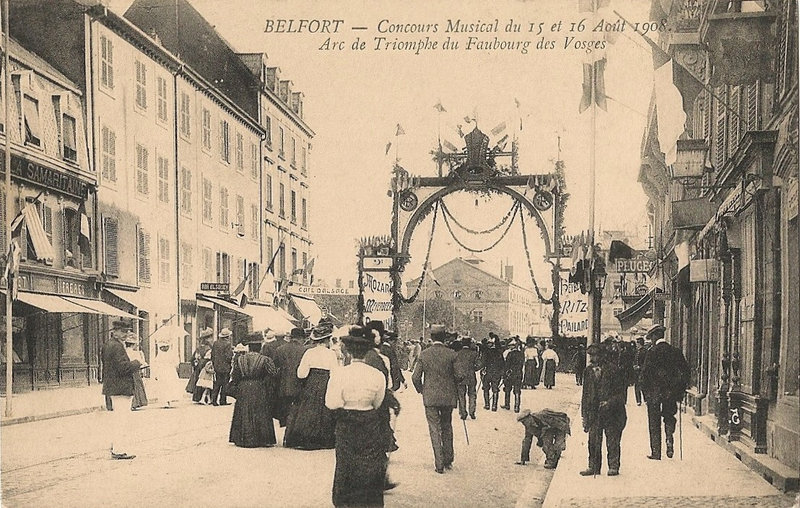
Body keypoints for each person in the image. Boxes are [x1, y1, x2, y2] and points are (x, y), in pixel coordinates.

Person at [325, 325, 388, 507]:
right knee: (369, 465)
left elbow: (332, 403)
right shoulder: (377, 375)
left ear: (349, 352)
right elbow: (378, 402)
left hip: (346, 423)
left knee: (346, 465)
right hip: (369, 421)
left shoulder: (339, 374)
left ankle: (345, 502)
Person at [412, 325, 458, 474]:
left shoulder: (424, 354)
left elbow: (415, 377)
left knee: (434, 429)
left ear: (431, 338)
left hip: (430, 397)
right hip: (447, 397)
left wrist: (421, 390)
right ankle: (448, 459)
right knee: (447, 426)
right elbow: (459, 375)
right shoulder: (452, 354)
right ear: (444, 338)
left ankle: (439, 464)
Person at [284, 322, 338, 450]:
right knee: (325, 411)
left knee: (308, 410)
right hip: (325, 383)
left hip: (311, 384)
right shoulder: (331, 354)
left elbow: (301, 374)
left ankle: (306, 438)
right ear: (327, 340)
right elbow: (335, 373)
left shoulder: (309, 353)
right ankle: (324, 438)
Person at [640, 324, 690, 460]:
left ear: (655, 336)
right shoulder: (675, 351)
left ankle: (656, 452)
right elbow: (685, 372)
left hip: (654, 394)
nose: (651, 340)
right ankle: (669, 438)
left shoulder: (651, 352)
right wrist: (680, 391)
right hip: (671, 392)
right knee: (669, 416)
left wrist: (646, 394)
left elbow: (644, 375)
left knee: (654, 422)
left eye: (651, 337)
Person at [580, 343, 627, 476]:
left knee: (612, 440)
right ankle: (593, 467)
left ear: (602, 356)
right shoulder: (588, 371)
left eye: (594, 356)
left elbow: (621, 394)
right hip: (594, 412)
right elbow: (585, 394)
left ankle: (613, 466)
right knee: (593, 440)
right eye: (590, 356)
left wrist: (609, 402)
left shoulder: (614, 370)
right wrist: (584, 416)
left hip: (612, 412)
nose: (591, 359)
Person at [101, 320, 143, 460]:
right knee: (121, 420)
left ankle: (115, 447)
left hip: (113, 387)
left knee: (118, 418)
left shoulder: (108, 344)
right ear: (116, 331)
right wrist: (137, 363)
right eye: (123, 332)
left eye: (127, 331)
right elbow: (123, 368)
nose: (126, 334)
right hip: (120, 388)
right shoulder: (117, 347)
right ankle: (118, 450)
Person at [228, 343, 278, 447]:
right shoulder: (265, 359)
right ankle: (261, 439)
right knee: (260, 411)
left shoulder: (240, 359)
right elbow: (273, 374)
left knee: (244, 411)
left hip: (243, 387)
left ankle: (243, 438)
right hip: (259, 387)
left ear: (249, 348)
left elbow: (235, 375)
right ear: (260, 348)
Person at [274, 327, 308, 429]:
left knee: (287, 412)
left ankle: (287, 433)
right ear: (302, 338)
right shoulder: (305, 350)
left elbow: (275, 368)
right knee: (297, 413)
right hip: (300, 386)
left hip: (283, 387)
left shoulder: (280, 350)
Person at [151, 334, 185, 409]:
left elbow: (156, 364)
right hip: (168, 371)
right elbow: (176, 363)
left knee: (167, 386)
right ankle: (166, 400)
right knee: (167, 386)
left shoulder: (160, 355)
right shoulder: (170, 354)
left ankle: (167, 400)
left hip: (165, 371)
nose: (164, 348)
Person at [454, 337, 482, 420]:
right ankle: (472, 412)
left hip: (460, 377)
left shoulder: (457, 353)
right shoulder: (474, 353)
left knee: (461, 395)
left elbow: (455, 366)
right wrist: (474, 368)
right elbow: (479, 365)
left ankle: (463, 413)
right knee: (472, 394)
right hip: (471, 377)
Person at [186, 328, 213, 402]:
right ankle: (206, 398)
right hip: (206, 364)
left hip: (199, 365)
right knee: (207, 381)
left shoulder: (199, 347)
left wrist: (195, 364)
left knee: (199, 380)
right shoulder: (209, 347)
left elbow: (193, 358)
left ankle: (198, 397)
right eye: (210, 337)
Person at [124, 333, 148, 410]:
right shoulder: (135, 353)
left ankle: (128, 404)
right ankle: (135, 403)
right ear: (133, 345)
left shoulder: (123, 352)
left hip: (125, 372)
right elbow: (140, 362)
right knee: (136, 387)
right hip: (134, 372)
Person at [481, 334, 505, 411]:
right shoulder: (499, 352)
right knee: (495, 389)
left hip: (488, 372)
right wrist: (502, 372)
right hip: (496, 373)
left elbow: (483, 362)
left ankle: (487, 404)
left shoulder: (486, 352)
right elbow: (502, 363)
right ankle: (494, 406)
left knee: (486, 388)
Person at [211, 328, 234, 406]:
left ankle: (214, 400)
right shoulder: (228, 344)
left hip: (217, 367)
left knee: (217, 383)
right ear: (227, 337)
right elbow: (229, 356)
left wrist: (214, 364)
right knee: (225, 384)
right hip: (225, 367)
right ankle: (222, 400)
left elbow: (212, 355)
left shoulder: (215, 343)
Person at [502, 337, 525, 413]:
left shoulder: (510, 354)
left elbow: (507, 365)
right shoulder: (521, 354)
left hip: (510, 374)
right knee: (517, 390)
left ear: (513, 346)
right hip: (518, 373)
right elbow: (522, 364)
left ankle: (507, 405)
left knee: (507, 389)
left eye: (510, 346)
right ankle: (517, 407)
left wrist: (505, 374)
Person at [633, 336, 648, 406]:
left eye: (638, 343)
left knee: (643, 385)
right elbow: (635, 360)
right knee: (637, 386)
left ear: (640, 343)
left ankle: (645, 399)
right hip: (636, 371)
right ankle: (638, 400)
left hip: (642, 371)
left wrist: (640, 367)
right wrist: (634, 365)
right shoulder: (637, 351)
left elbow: (646, 362)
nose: (637, 344)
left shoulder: (645, 351)